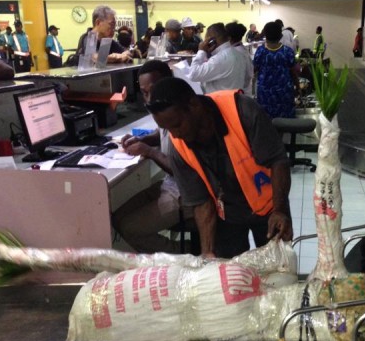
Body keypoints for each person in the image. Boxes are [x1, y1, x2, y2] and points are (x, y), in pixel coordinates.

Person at [145, 77, 293, 259]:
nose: (175, 134)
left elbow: (278, 160)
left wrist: (280, 210)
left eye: (177, 125)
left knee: (279, 268)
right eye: (166, 129)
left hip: (270, 205)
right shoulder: (178, 147)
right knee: (229, 273)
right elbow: (201, 201)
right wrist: (207, 251)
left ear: (193, 105)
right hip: (227, 214)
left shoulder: (242, 111)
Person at [115, 61, 187, 254]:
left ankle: (183, 255)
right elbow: (160, 133)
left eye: (152, 91)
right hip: (169, 184)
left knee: (130, 228)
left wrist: (149, 151)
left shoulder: (182, 117)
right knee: (116, 218)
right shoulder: (164, 108)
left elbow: (184, 171)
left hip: (186, 193)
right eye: (144, 93)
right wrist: (142, 139)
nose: (147, 99)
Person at [253, 21, 300, 119]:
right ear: (280, 35)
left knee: (267, 120)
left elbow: (254, 70)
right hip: (284, 91)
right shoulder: (287, 51)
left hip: (265, 92)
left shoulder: (260, 51)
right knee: (284, 121)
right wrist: (298, 87)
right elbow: (293, 73)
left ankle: (270, 133)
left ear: (265, 35)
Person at [188, 22, 248, 94]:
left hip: (219, 103)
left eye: (206, 40)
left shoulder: (220, 58)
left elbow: (193, 74)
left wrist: (201, 51)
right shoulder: (238, 54)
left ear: (211, 40)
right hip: (234, 100)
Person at [225, 21, 253, 96]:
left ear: (228, 37)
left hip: (240, 93)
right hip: (244, 91)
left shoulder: (236, 53)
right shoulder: (242, 50)